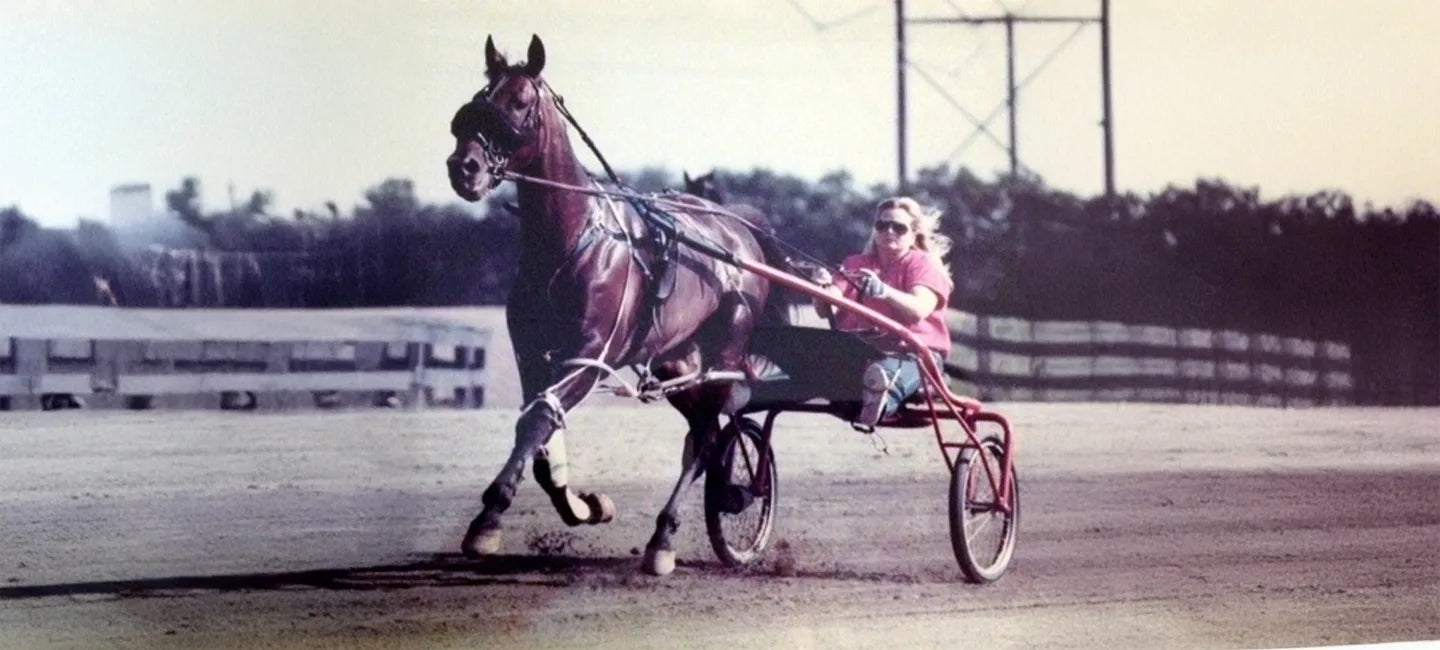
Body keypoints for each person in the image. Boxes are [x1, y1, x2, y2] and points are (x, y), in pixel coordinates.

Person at [808, 196, 954, 426]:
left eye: (899, 227)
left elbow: (918, 309)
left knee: (883, 372)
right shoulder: (856, 263)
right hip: (862, 352)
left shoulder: (922, 264)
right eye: (882, 225)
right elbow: (827, 310)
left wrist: (884, 291)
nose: (889, 231)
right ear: (875, 231)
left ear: (913, 233)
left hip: (914, 355)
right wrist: (822, 289)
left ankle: (878, 401)